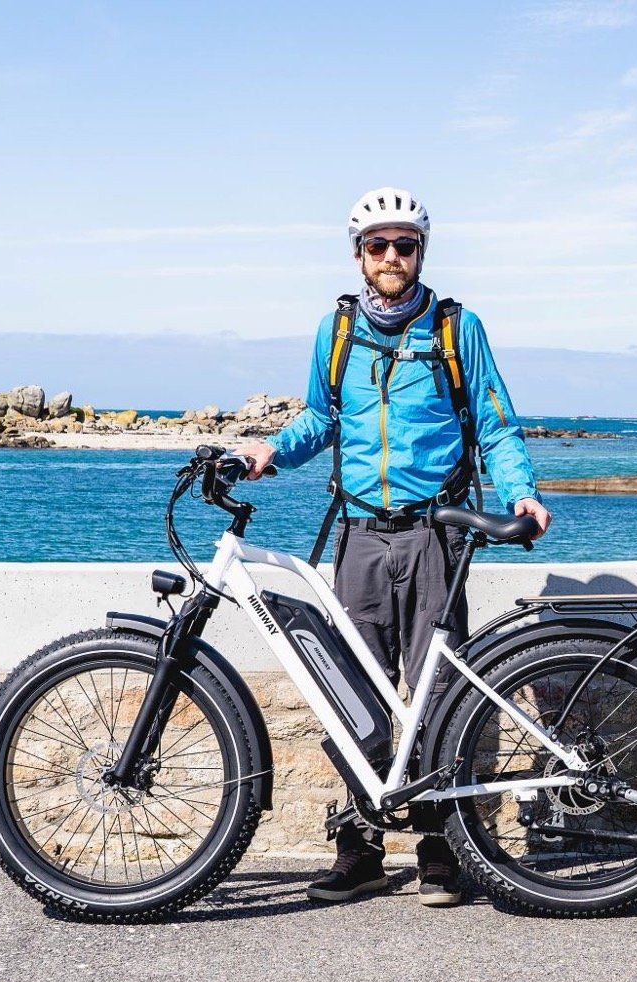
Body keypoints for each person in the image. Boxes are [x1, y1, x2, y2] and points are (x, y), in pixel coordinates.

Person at [242, 187, 551, 907]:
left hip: (436, 533)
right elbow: (320, 417)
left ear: (420, 255)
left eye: (404, 246)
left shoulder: (455, 327)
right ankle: (360, 846)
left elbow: (497, 424)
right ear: (358, 254)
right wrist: (268, 452)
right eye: (377, 245)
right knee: (353, 691)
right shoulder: (337, 330)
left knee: (440, 694)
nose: (391, 257)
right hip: (357, 533)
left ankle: (443, 846)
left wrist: (521, 493)